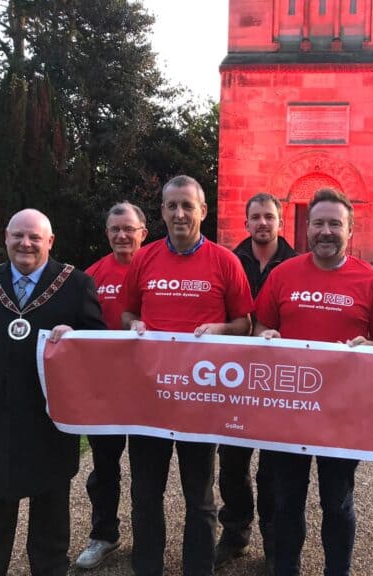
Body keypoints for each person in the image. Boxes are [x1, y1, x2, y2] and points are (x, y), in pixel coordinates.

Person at [0, 208, 106, 576]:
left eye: (35, 236)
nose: (25, 243)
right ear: (5, 238)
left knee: (50, 517)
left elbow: (99, 352)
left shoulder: (76, 285)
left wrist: (77, 340)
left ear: (50, 241)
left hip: (49, 420)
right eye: (18, 235)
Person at [254, 189, 373, 576]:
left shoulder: (371, 281)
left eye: (335, 223)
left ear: (350, 231)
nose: (325, 231)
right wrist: (265, 335)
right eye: (318, 223)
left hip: (342, 413)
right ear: (307, 229)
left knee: (337, 502)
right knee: (287, 502)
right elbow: (261, 325)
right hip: (289, 409)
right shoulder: (283, 275)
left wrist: (369, 345)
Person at [120, 175, 254, 576]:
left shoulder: (225, 261)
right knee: (145, 494)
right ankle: (148, 568)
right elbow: (127, 312)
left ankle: (199, 569)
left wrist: (221, 330)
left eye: (187, 206)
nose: (180, 214)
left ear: (202, 211)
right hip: (149, 399)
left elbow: (244, 323)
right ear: (161, 211)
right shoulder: (143, 259)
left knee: (199, 497)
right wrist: (133, 325)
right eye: (172, 206)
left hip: (200, 399)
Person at [216, 193, 297, 574]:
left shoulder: (298, 265)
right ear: (246, 223)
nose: (262, 223)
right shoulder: (228, 262)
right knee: (231, 462)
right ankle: (234, 532)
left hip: (276, 383)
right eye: (255, 217)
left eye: (269, 217)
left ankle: (272, 536)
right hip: (233, 379)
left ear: (280, 222)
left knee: (274, 468)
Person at [75, 202, 148, 570]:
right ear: (107, 234)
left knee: (149, 468)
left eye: (128, 229)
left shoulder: (157, 267)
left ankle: (149, 539)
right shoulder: (91, 276)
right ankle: (104, 535)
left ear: (143, 233)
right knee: (104, 467)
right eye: (115, 229)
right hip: (105, 389)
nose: (122, 235)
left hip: (150, 388)